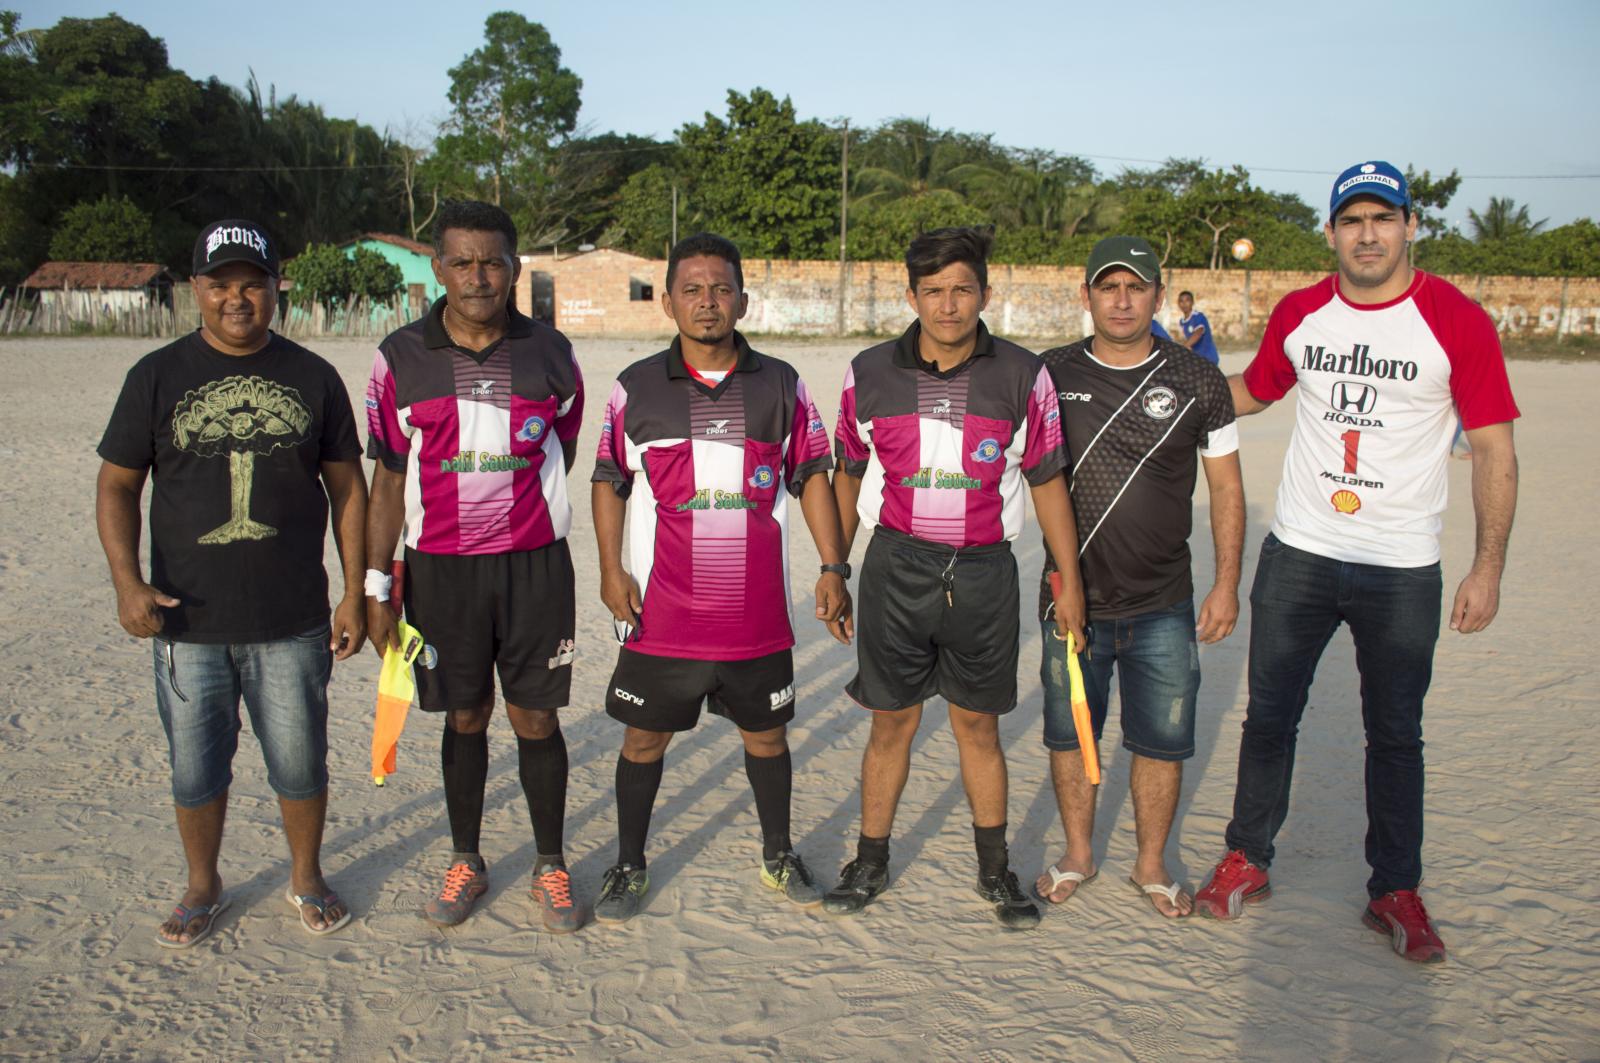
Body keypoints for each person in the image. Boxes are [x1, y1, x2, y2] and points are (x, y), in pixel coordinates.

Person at [1193, 161, 1521, 964]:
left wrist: (1488, 567)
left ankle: (1395, 888)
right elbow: (1254, 391)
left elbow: (1493, 448)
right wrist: (1165, 375)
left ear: (1411, 225)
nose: (1367, 233)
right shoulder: (1303, 311)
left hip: (1402, 565)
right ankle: (1247, 855)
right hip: (1301, 550)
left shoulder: (1457, 321)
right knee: (1269, 716)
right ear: (1332, 231)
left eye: (1384, 217)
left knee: (1396, 734)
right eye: (1352, 219)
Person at [96, 218, 366, 947]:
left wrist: (351, 592)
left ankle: (306, 875)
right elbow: (118, 485)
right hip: (186, 621)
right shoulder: (154, 377)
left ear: (277, 286)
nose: (237, 298)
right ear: (197, 289)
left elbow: (349, 490)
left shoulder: (313, 377)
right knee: (195, 768)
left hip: (293, 621)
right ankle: (202, 883)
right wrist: (127, 581)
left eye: (252, 282)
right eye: (221, 284)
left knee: (301, 760)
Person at [825, 226, 1088, 929]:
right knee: (892, 723)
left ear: (985, 292)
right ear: (911, 295)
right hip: (896, 565)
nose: (948, 305)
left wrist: (1070, 577)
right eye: (933, 291)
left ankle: (995, 870)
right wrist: (833, 565)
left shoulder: (1025, 375)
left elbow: (1048, 481)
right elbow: (847, 473)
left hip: (983, 573)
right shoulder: (870, 370)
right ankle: (870, 859)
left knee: (978, 724)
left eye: (962, 289)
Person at [589, 233, 852, 923]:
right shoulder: (634, 388)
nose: (708, 302)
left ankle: (777, 851)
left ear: (743, 296)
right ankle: (629, 862)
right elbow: (609, 480)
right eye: (693, 289)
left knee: (766, 736)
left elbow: (812, 477)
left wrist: (832, 564)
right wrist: (610, 569)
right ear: (669, 300)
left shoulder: (781, 384)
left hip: (753, 616)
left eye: (721, 288)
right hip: (663, 615)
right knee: (643, 740)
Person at [365, 200, 585, 931]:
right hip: (440, 572)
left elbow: (561, 451)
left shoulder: (553, 354)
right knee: (464, 713)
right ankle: (468, 858)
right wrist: (375, 585)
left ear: (515, 267)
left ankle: (550, 862)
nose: (478, 276)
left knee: (535, 715)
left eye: (493, 261)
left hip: (534, 569)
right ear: (438, 268)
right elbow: (390, 480)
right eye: (461, 261)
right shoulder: (400, 357)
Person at [1033, 237, 1244, 918]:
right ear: (1085, 295)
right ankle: (1077, 852)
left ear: (1159, 294)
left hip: (1164, 603)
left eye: (1136, 287)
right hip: (1070, 600)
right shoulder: (1048, 374)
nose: (1122, 300)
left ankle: (1150, 862)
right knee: (1071, 734)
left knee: (1162, 740)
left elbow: (1228, 488)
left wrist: (1227, 583)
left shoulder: (1199, 380)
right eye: (1108, 286)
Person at [1177, 291, 1220, 365]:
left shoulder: (1198, 316)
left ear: (1192, 302)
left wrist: (1183, 347)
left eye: (1187, 300)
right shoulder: (1182, 322)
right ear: (1178, 304)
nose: (1184, 304)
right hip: (1197, 359)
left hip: (1209, 358)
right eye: (1181, 301)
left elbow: (1198, 334)